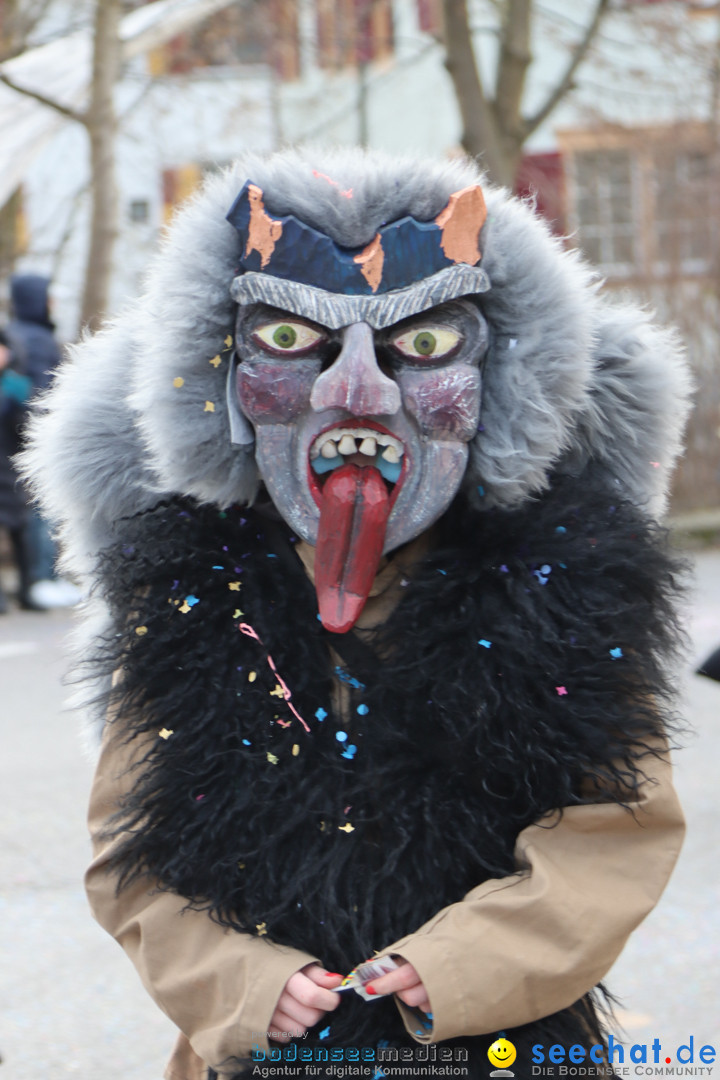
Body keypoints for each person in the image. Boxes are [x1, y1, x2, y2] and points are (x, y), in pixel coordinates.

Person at [23, 149, 692, 1080]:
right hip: (270, 1055)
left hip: (501, 1048)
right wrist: (244, 985)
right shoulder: (190, 598)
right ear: (218, 370)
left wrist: (455, 966)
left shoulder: (564, 591)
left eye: (422, 346)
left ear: (503, 377)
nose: (358, 395)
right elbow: (133, 853)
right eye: (292, 344)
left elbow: (617, 823)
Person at [6, 273, 80, 609]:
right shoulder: (35, 340)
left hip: (17, 438)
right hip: (33, 439)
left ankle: (43, 579)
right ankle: (41, 580)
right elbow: (42, 393)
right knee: (40, 509)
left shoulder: (23, 335)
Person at [0, 328, 33, 612]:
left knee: (20, 532)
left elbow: (26, 432)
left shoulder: (16, 387)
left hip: (10, 468)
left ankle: (27, 590)